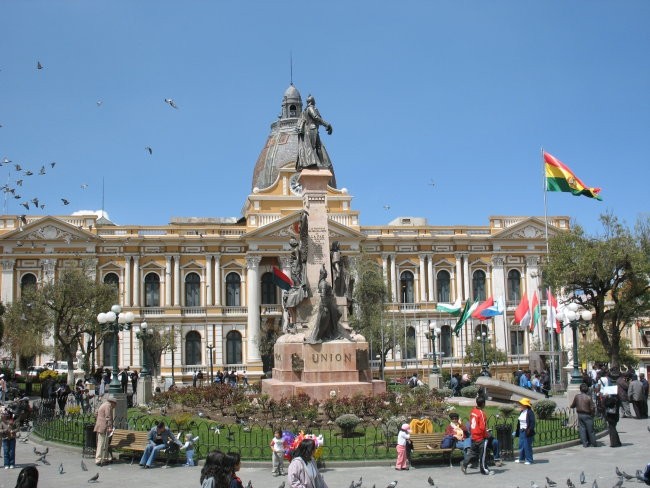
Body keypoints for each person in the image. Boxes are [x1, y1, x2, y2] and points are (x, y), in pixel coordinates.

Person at [295, 94, 333, 171]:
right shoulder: (310, 108)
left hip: (309, 130)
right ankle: (321, 164)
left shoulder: (305, 111)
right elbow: (315, 117)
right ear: (313, 101)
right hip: (312, 129)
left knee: (314, 147)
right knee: (315, 147)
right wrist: (326, 124)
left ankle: (321, 164)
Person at [461, 396, 494, 475]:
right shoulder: (481, 414)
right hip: (480, 437)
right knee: (483, 455)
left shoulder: (473, 411)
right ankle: (484, 470)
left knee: (472, 452)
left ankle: (464, 464)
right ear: (483, 404)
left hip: (473, 436)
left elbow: (474, 424)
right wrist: (487, 434)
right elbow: (482, 428)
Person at [570, 382, 597, 447]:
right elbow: (592, 408)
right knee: (590, 430)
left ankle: (584, 443)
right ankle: (593, 443)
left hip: (580, 414)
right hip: (587, 414)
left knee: (582, 429)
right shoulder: (588, 397)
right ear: (587, 390)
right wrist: (593, 414)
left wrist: (572, 406)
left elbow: (573, 405)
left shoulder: (577, 396)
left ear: (580, 389)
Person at [93, 395, 116, 466]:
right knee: (102, 443)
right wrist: (109, 427)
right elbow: (108, 417)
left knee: (104, 443)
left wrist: (99, 420)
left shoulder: (104, 404)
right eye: (115, 403)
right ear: (112, 402)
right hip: (103, 427)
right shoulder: (108, 406)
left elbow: (96, 413)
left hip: (100, 425)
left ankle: (104, 458)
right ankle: (99, 459)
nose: (115, 405)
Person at [515, 397, 536, 464]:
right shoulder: (522, 412)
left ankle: (529, 459)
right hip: (521, 431)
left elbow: (532, 422)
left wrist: (529, 430)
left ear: (525, 405)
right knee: (521, 445)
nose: (521, 405)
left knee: (527, 446)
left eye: (522, 404)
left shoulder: (530, 412)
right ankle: (521, 458)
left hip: (527, 431)